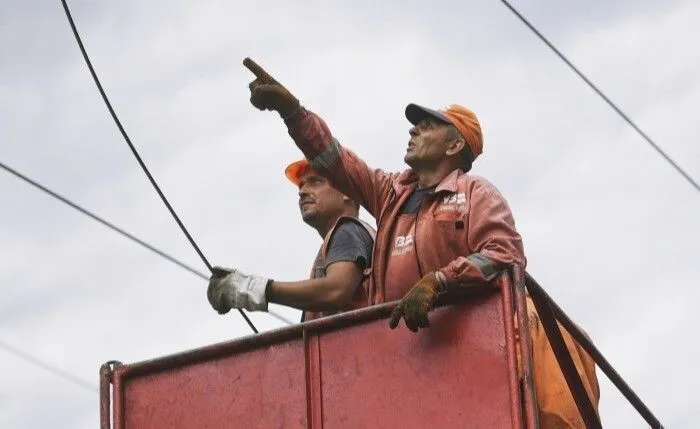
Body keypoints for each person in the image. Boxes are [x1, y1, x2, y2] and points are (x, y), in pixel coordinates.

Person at [241, 57, 600, 428]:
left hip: (467, 357)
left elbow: (504, 255)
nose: (413, 131)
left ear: (453, 145)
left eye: (426, 127)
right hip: (403, 363)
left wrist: (439, 281)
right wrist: (292, 111)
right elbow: (335, 160)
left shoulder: (476, 193)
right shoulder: (390, 193)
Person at [206, 159, 375, 322]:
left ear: (346, 192)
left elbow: (337, 290)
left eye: (315, 182)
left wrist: (252, 288)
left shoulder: (347, 231)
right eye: (301, 185)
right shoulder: (343, 237)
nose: (302, 191)